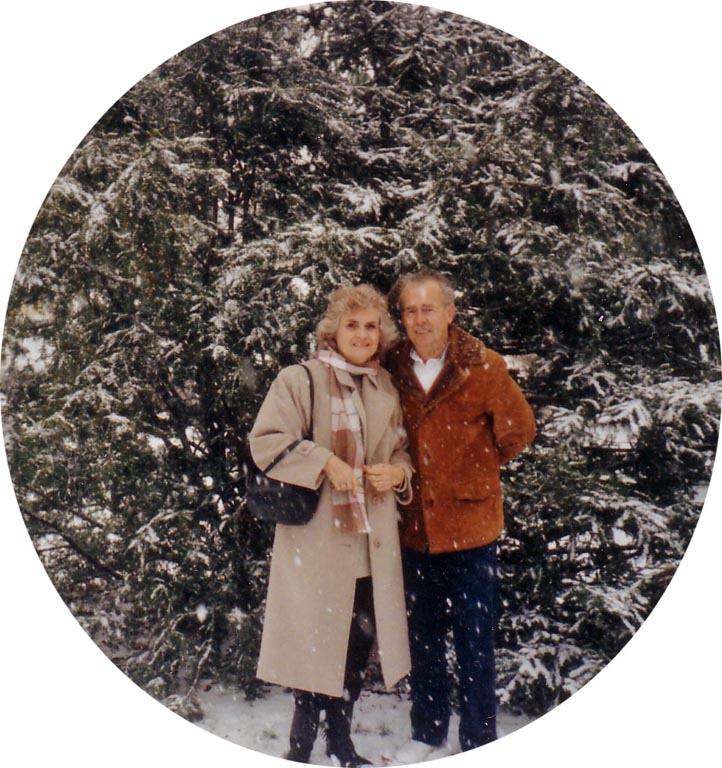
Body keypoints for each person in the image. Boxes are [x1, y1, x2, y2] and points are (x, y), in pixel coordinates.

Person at [249, 285, 414, 766]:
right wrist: (322, 461)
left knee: (357, 642)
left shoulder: (384, 386)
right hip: (317, 539)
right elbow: (267, 442)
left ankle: (341, 743)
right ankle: (299, 746)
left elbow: (402, 449)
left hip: (370, 539)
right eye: (352, 324)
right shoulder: (300, 380)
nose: (362, 334)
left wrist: (398, 471)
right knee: (313, 640)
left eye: (370, 326)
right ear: (333, 330)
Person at [384, 269, 536, 759]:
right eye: (410, 310)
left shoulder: (483, 367)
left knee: (475, 646)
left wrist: (471, 474)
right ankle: (427, 736)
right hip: (414, 532)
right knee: (422, 641)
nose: (419, 318)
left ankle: (477, 742)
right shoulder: (390, 367)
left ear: (450, 313)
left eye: (429, 308)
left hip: (472, 531)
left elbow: (519, 431)